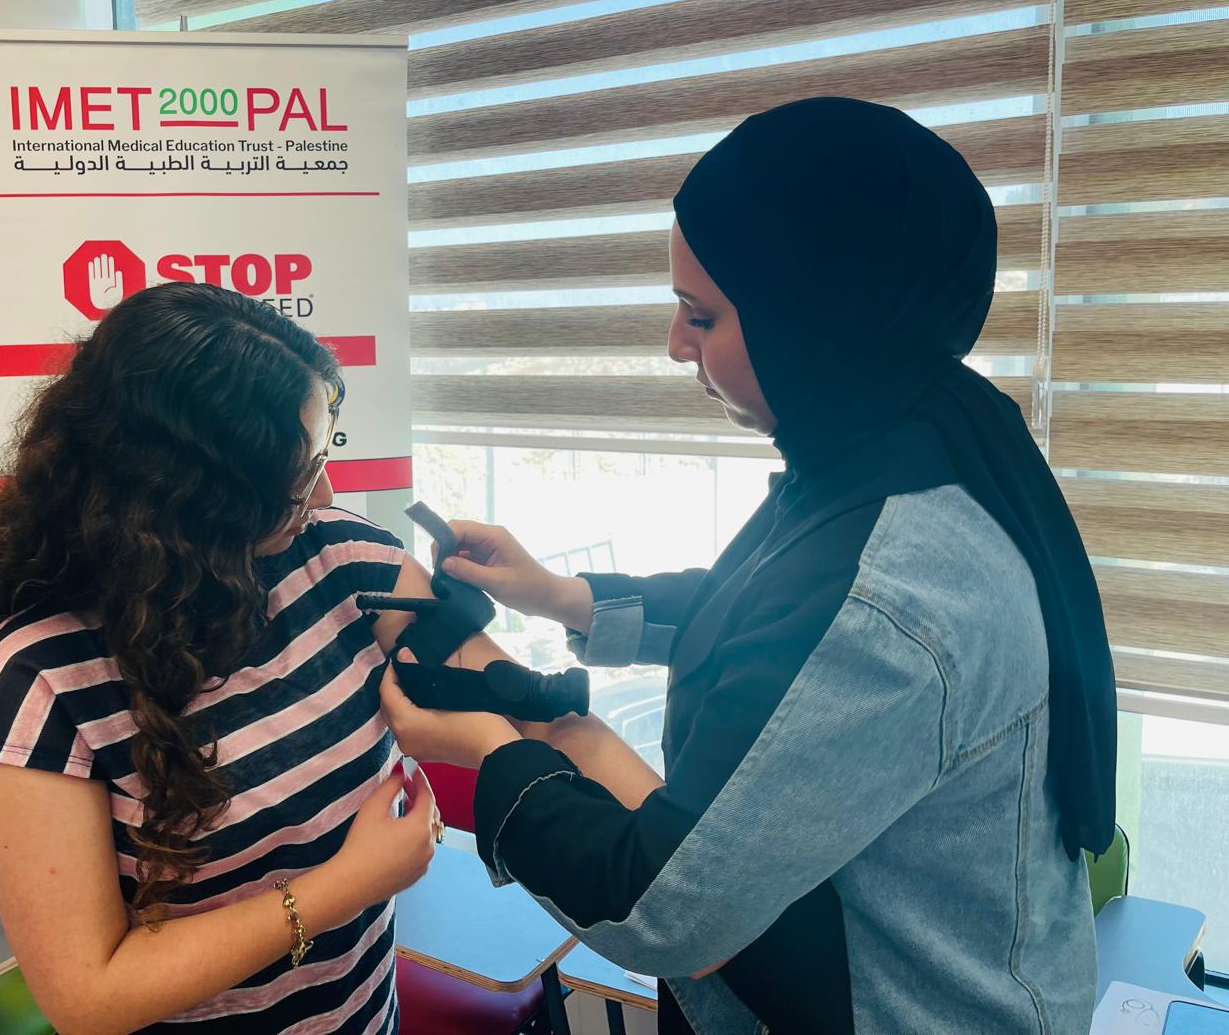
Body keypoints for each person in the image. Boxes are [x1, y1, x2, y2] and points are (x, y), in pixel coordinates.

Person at [380, 97, 1118, 1034]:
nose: (674, 344)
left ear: (815, 321)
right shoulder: (895, 439)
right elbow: (770, 609)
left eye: (701, 315)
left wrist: (489, 752)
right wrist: (561, 597)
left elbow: (663, 914)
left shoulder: (897, 587)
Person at [0, 283, 618, 1034]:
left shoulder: (345, 561)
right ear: (189, 497)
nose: (323, 494)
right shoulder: (37, 683)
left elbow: (522, 705)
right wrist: (345, 886)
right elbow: (88, 998)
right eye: (295, 477)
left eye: (320, 455)